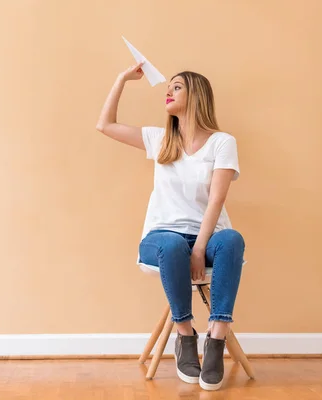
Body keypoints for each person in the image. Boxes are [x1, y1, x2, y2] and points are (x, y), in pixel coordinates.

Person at [95, 62, 245, 391]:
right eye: (169, 87)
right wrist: (121, 79)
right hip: (161, 240)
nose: (169, 91)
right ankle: (186, 335)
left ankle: (216, 340)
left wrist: (200, 248)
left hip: (207, 239)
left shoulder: (222, 142)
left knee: (232, 239)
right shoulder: (161, 139)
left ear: (197, 96)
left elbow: (217, 201)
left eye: (177, 87)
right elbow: (104, 124)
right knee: (173, 245)